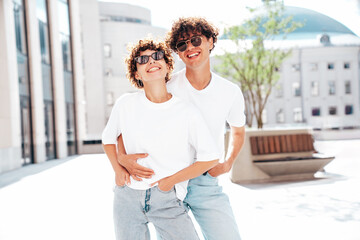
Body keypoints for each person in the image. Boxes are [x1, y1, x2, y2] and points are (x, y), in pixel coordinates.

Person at [117, 17, 246, 240]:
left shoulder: (230, 91)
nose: (190, 48)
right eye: (182, 45)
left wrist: (228, 163)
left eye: (196, 40)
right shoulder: (166, 85)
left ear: (211, 41)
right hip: (163, 181)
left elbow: (238, 131)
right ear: (177, 52)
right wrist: (122, 157)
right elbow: (127, 122)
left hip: (203, 181)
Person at [102, 38, 220, 240]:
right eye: (143, 59)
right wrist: (118, 169)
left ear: (167, 67)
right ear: (136, 73)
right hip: (127, 196)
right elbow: (108, 138)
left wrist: (169, 183)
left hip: (166, 198)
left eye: (157, 56)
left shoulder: (186, 111)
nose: (151, 61)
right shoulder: (126, 104)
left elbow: (210, 158)